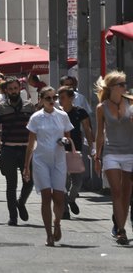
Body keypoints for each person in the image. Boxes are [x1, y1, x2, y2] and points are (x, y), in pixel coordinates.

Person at [23, 87, 75, 246]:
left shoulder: (63, 115)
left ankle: (57, 223)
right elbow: (31, 144)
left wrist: (64, 141)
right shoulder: (36, 118)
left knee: (59, 197)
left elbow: (68, 137)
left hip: (59, 160)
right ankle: (48, 234)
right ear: (41, 99)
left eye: (54, 97)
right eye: (48, 98)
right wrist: (26, 166)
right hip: (41, 160)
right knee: (46, 196)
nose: (52, 101)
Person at [93, 70, 133, 245]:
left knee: (126, 194)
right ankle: (121, 231)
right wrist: (97, 155)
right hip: (111, 153)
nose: (125, 87)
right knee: (116, 192)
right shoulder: (101, 108)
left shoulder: (131, 103)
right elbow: (100, 133)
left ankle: (120, 225)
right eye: (121, 84)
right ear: (112, 88)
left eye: (125, 84)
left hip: (130, 152)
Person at [0, 76, 35, 226]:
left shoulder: (29, 107)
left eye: (16, 88)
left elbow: (35, 128)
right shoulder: (1, 108)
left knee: (29, 181)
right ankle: (13, 216)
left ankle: (21, 202)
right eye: (10, 89)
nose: (13, 91)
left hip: (25, 149)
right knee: (11, 184)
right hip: (8, 148)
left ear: (19, 89)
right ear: (6, 91)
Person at [58, 85, 94, 219]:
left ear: (71, 98)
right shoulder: (57, 113)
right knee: (63, 182)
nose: (60, 100)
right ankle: (64, 209)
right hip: (59, 150)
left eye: (63, 97)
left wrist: (92, 146)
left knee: (77, 181)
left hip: (75, 149)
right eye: (59, 97)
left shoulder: (80, 112)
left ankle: (71, 199)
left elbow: (88, 129)